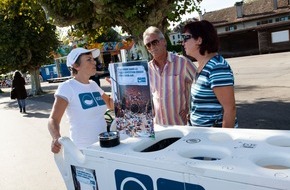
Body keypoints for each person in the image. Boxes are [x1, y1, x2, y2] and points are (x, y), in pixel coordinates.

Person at [48, 47, 114, 153]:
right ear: (76, 66)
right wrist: (56, 138)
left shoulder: (93, 85)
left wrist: (116, 88)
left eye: (93, 59)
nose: (94, 62)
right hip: (83, 151)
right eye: (89, 59)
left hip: (104, 147)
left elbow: (110, 105)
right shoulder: (67, 87)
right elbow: (53, 119)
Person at [181, 20, 238, 128]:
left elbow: (230, 109)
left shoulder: (217, 67)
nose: (183, 43)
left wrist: (224, 141)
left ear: (199, 40)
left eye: (186, 37)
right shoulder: (203, 66)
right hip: (201, 136)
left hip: (214, 140)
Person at [143, 26, 197, 126]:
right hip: (158, 128)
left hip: (180, 126)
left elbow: (201, 86)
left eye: (154, 42)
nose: (152, 47)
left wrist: (190, 108)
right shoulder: (147, 69)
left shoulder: (182, 63)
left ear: (164, 41)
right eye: (148, 45)